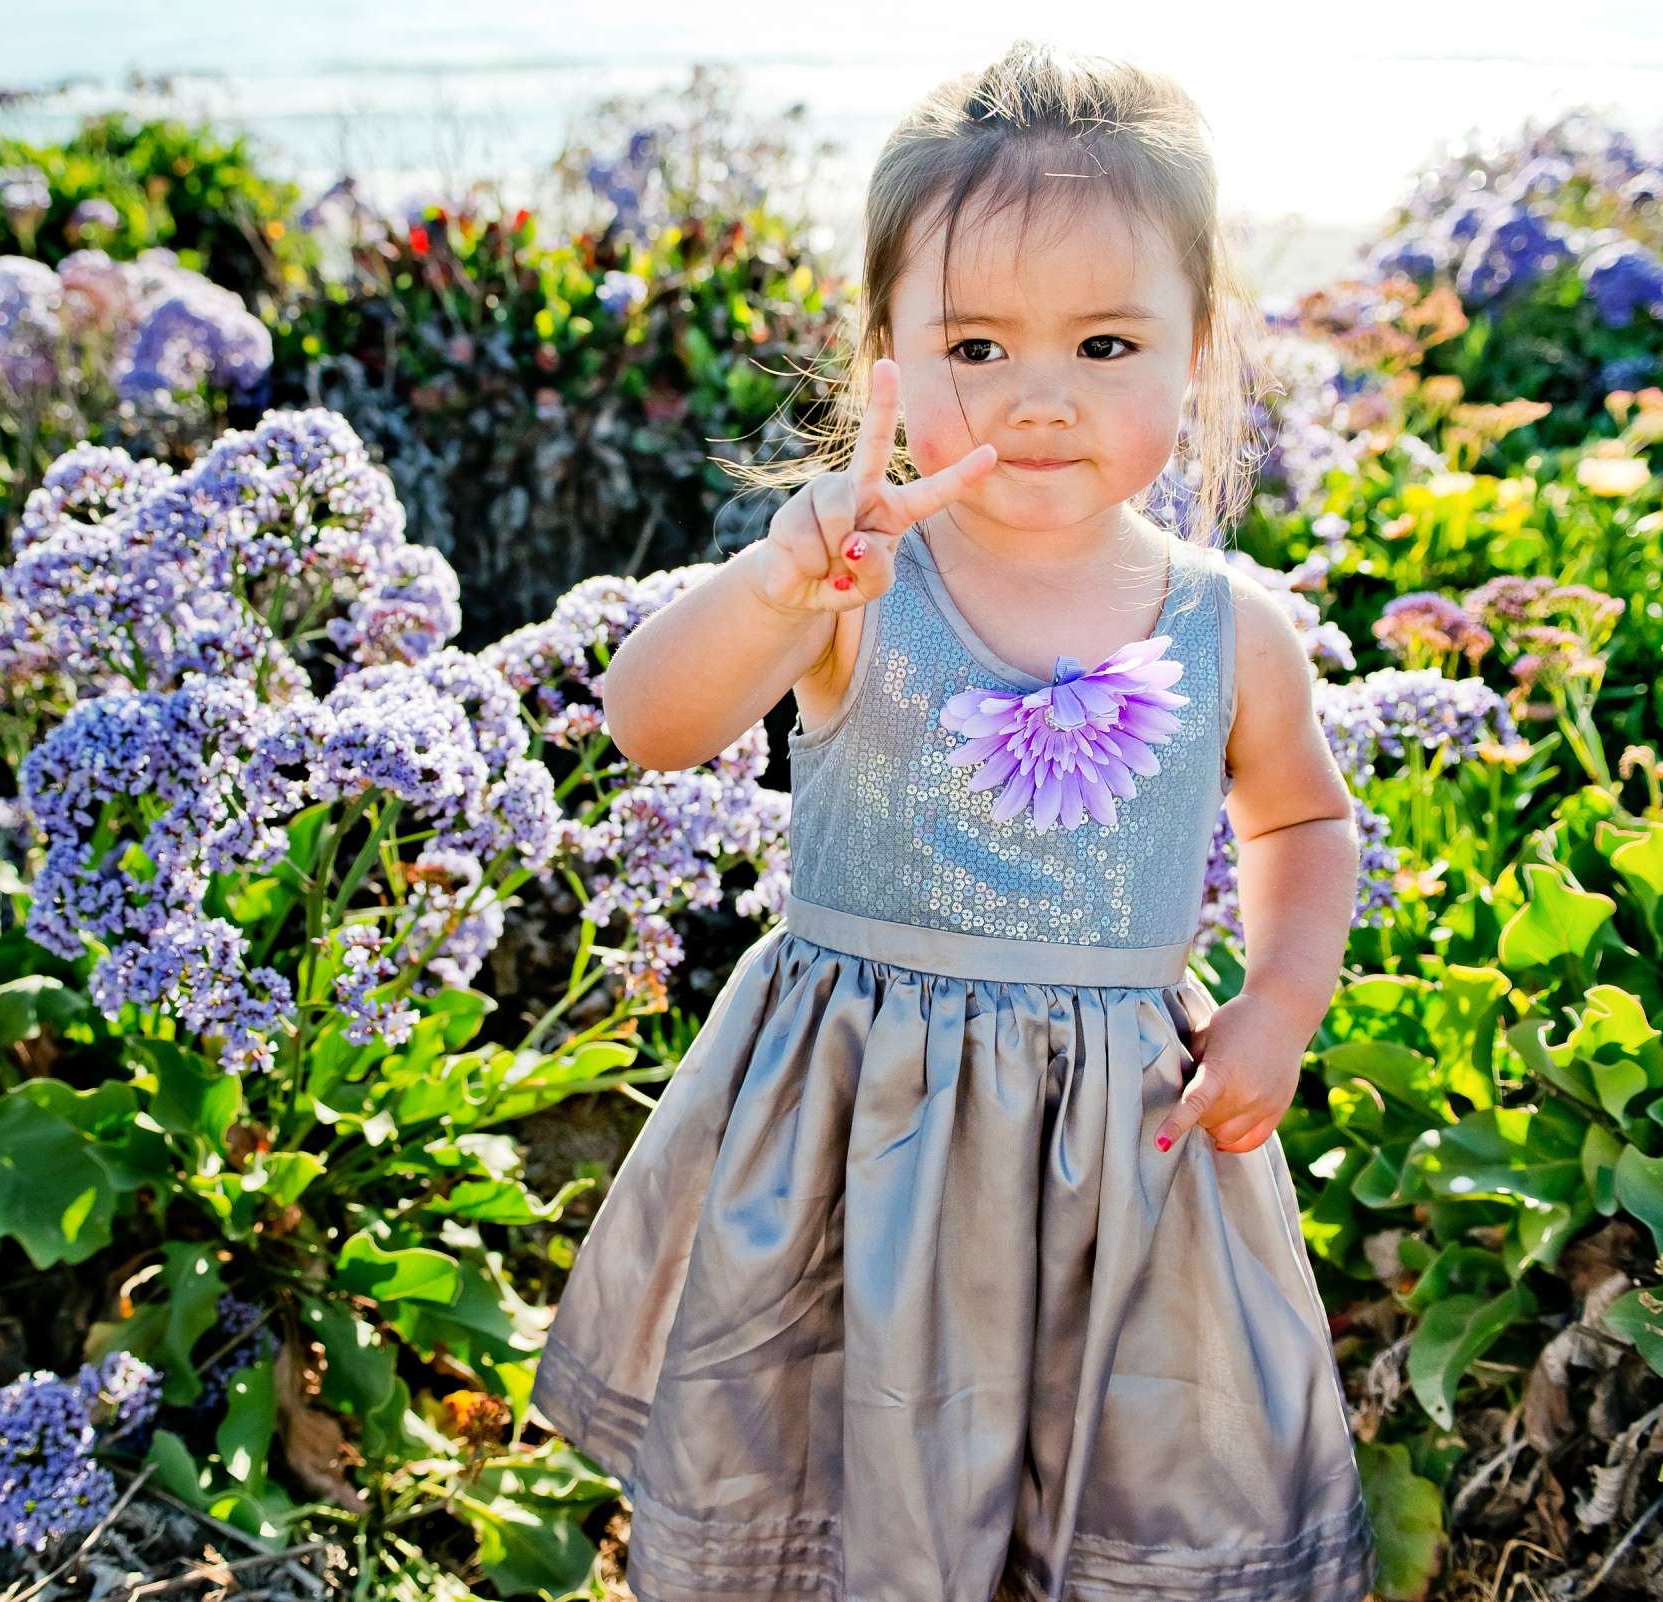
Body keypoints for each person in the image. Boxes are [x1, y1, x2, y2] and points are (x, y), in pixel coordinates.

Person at [527, 40, 1378, 1602]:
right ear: (887, 365)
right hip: (865, 1131)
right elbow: (650, 723)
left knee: (1101, 1478)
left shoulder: (1223, 623)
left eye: (1106, 343)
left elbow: (1305, 826)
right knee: (845, 1473)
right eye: (975, 345)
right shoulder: (856, 586)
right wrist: (783, 579)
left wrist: (1277, 1006)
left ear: (1198, 348)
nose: (1039, 398)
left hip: (1118, 1148)